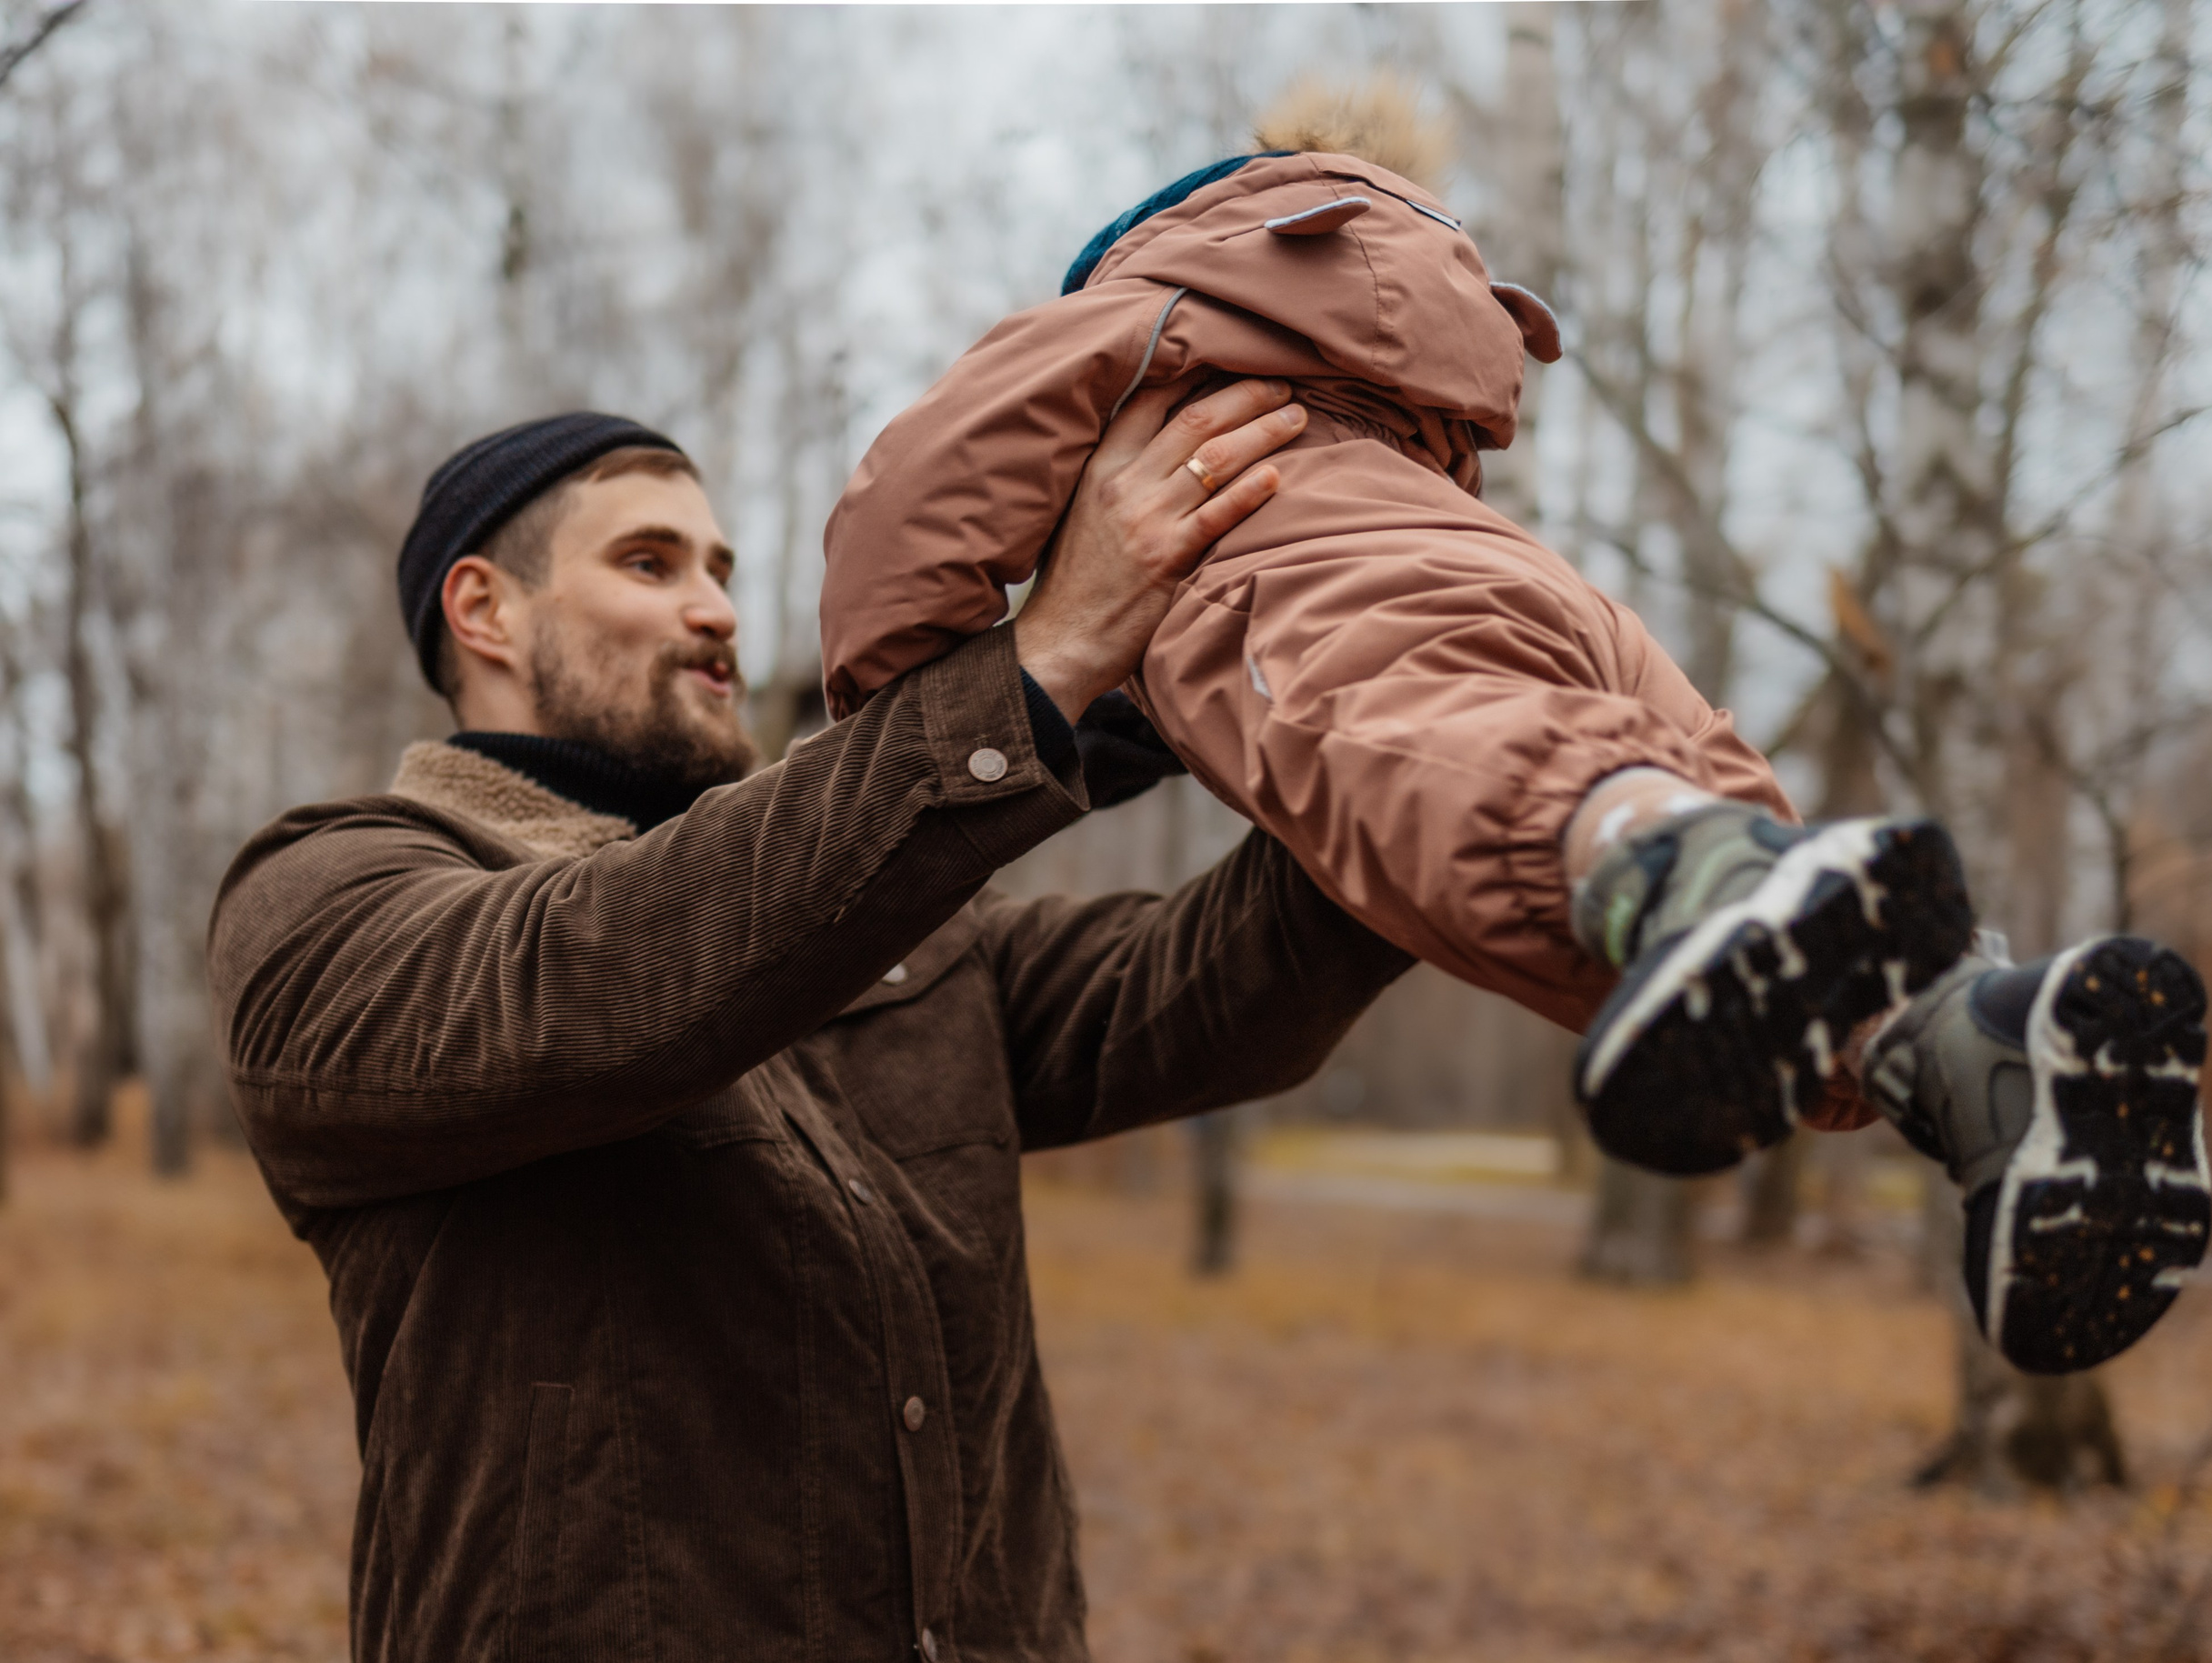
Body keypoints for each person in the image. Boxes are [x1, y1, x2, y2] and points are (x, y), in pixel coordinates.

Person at [818, 86, 2212, 1376]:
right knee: (1602, 923)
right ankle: (1972, 1039)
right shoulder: (1401, 400)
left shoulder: (1149, 312)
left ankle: (1690, 870)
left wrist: (901, 707)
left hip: (1314, 590)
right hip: (1562, 614)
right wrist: (1122, 722)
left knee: (1477, 786)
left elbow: (915, 494)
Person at [206, 388, 1416, 1661]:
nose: (719, 606)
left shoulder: (888, 926)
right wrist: (1042, 668)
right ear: (484, 608)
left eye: (723, 568)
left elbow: (1218, 994)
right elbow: (612, 967)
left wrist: (1386, 741)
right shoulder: (323, 899)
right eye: (649, 561)